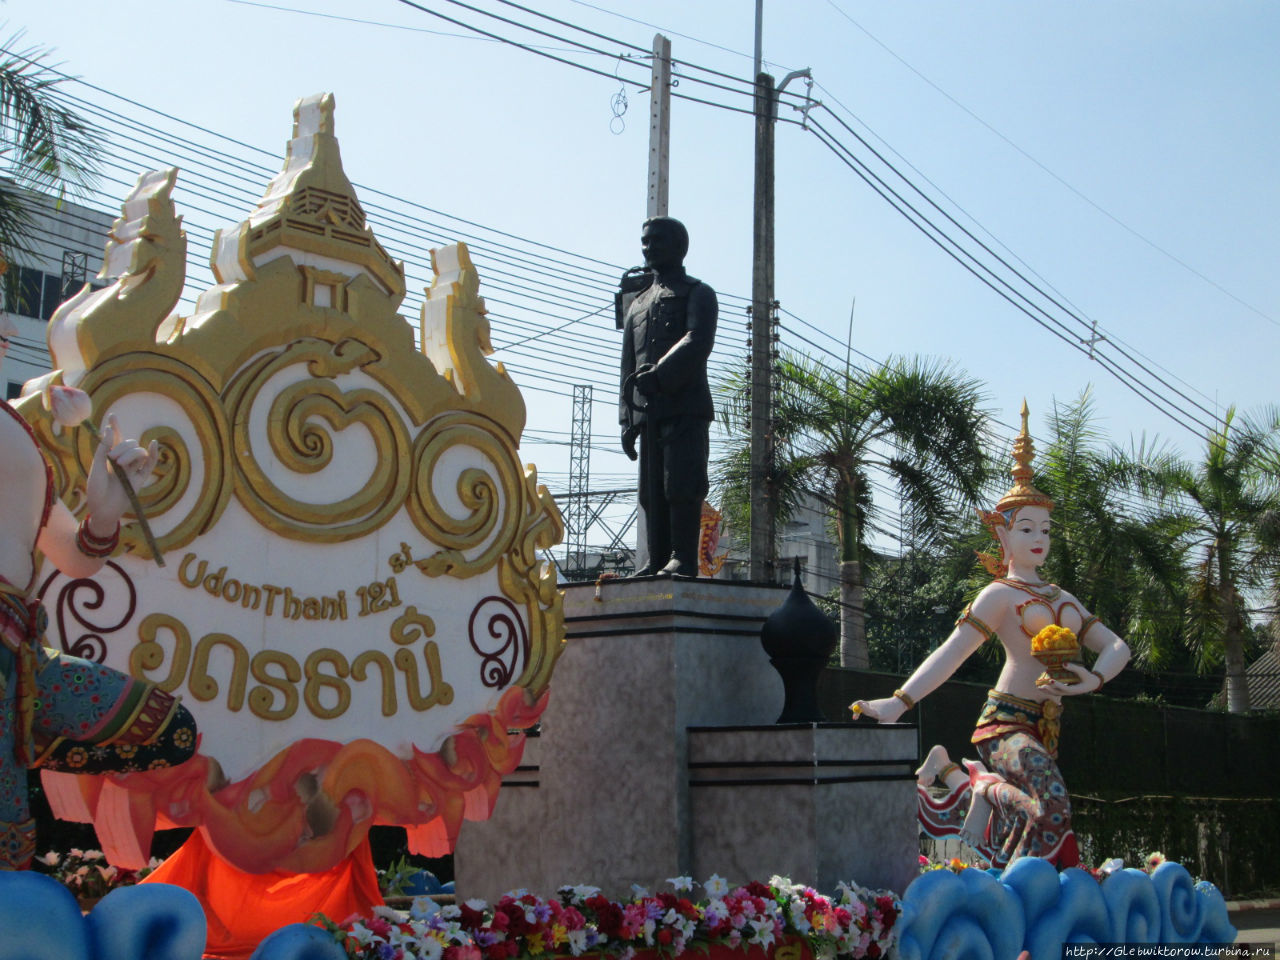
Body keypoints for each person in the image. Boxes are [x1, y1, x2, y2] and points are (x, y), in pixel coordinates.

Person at [850, 403, 1130, 869]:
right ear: (1004, 535)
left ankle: (989, 836)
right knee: (1054, 804)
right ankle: (979, 788)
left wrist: (1094, 679)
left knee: (1040, 819)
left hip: (1046, 725)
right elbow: (953, 652)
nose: (1038, 538)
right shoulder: (999, 595)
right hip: (1004, 723)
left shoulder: (1063, 596)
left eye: (1045, 529)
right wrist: (898, 703)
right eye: (1026, 528)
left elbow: (1118, 646)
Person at [0, 313, 197, 870]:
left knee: (166, 728)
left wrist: (106, 507)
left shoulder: (21, 441)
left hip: (21, 662)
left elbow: (76, 555)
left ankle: (25, 739)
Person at [618, 217, 717, 578]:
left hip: (685, 406)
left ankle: (683, 558)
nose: (649, 247)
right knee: (651, 493)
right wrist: (628, 420)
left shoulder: (697, 292)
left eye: (657, 240)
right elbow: (628, 362)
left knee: (681, 484)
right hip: (649, 413)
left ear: (679, 246)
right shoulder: (638, 304)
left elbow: (698, 340)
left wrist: (660, 376)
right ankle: (656, 558)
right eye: (645, 241)